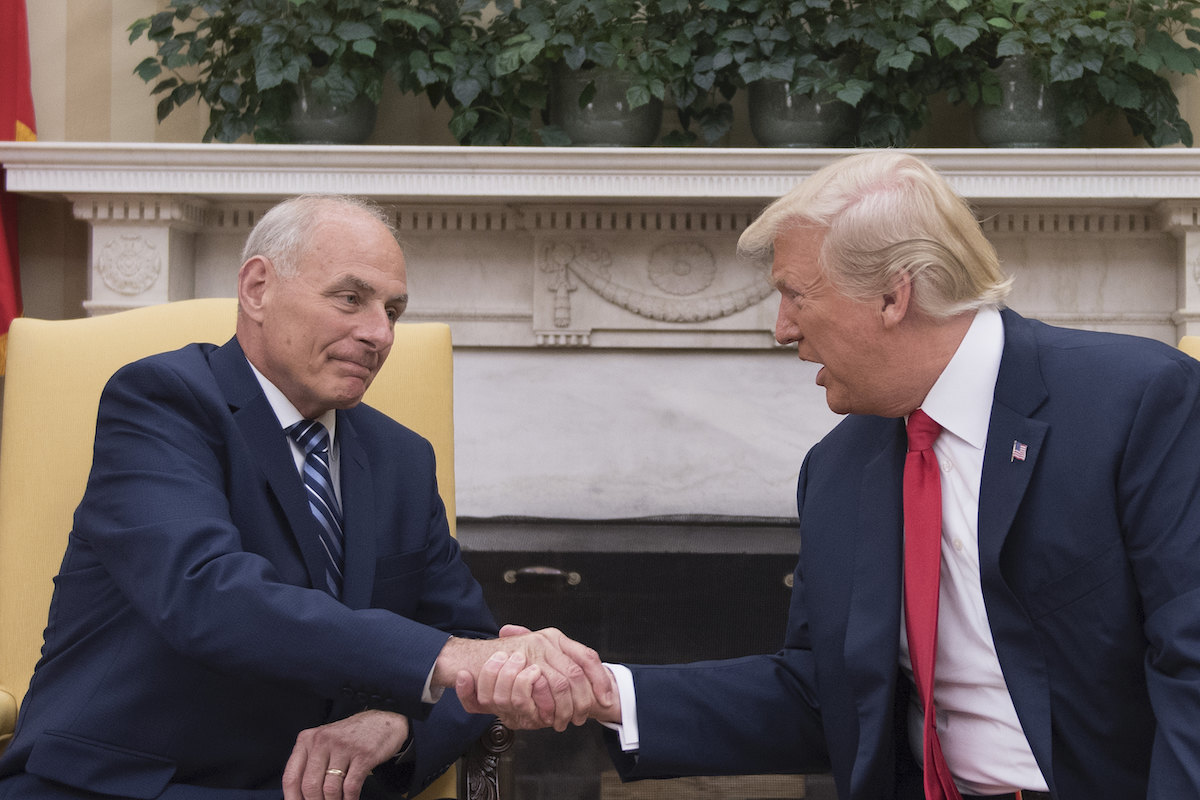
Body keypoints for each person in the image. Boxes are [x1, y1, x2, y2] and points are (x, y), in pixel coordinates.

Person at [458, 151, 1200, 799]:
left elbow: (1190, 663)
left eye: (796, 294)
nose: (782, 327)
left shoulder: (1137, 404)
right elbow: (821, 696)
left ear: (892, 295)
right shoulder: (841, 467)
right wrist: (606, 693)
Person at [0, 195, 609, 800]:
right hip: (133, 782)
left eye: (393, 311)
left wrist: (396, 727)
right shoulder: (162, 402)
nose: (379, 334)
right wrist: (447, 659)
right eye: (351, 298)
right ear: (258, 288)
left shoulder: (401, 457)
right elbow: (207, 594)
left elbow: (472, 650)